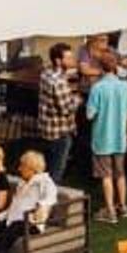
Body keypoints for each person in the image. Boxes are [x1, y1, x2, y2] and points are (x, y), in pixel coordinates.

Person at [84, 53, 127, 224]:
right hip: (120, 136)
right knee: (120, 173)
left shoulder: (97, 88)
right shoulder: (126, 86)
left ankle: (110, 211)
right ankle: (123, 206)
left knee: (106, 175)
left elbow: (90, 115)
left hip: (102, 137)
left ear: (100, 67)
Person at [34, 43, 80, 183]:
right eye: (68, 58)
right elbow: (66, 109)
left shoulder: (46, 73)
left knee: (46, 168)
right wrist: (77, 99)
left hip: (46, 128)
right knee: (56, 171)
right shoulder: (58, 82)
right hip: (60, 132)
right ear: (58, 61)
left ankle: (42, 191)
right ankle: (52, 193)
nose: (72, 60)